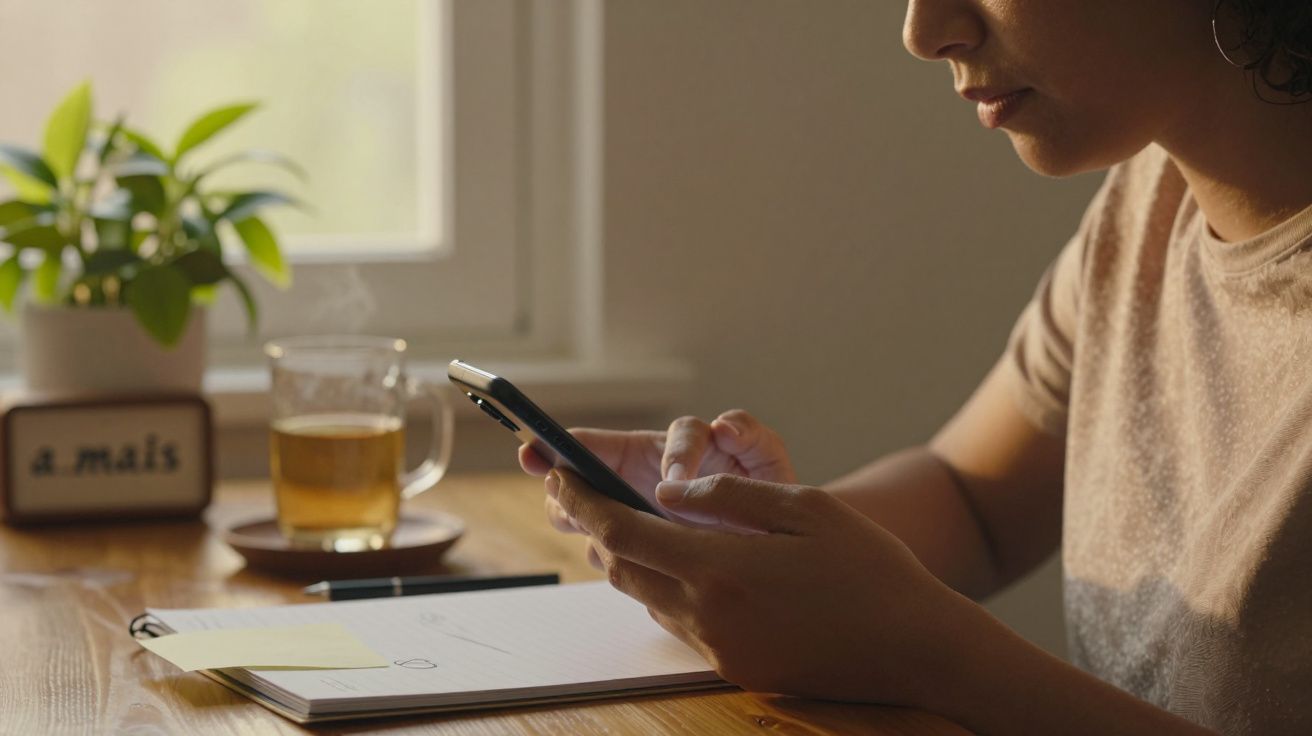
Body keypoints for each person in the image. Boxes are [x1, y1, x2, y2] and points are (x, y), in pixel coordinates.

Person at [520, 1, 1312, 733]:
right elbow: (973, 499)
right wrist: (753, 541)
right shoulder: (1151, 204)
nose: (923, 32)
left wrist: (933, 656)